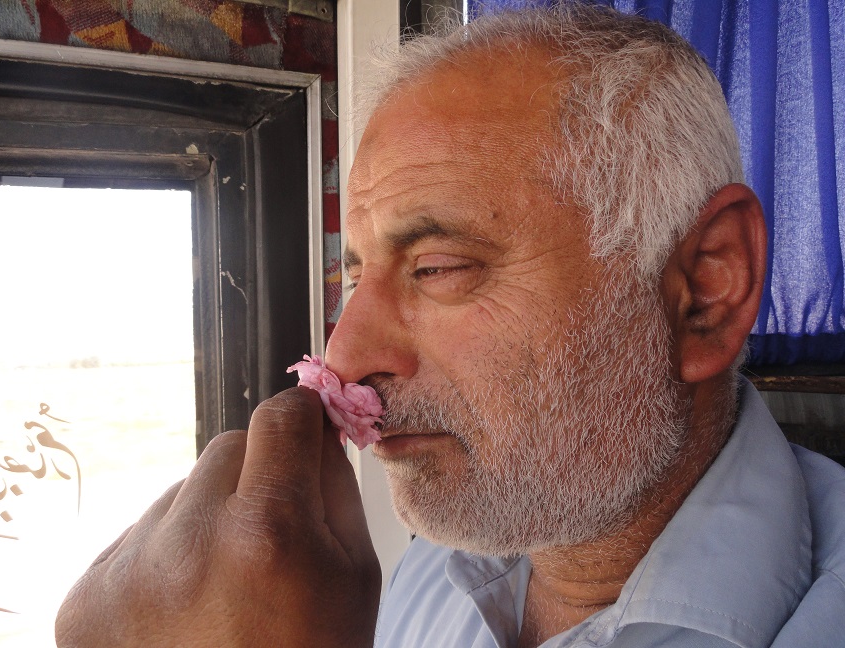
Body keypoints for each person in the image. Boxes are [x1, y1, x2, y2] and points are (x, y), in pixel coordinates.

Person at [54, 4, 845, 647]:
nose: (342, 357)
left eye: (437, 267)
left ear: (705, 291)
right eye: (354, 276)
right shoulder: (425, 571)